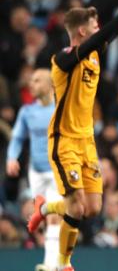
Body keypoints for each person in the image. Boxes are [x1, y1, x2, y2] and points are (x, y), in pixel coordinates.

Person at [27, 0, 118, 271]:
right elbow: (101, 39)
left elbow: (106, 37)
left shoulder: (93, 57)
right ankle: (64, 264)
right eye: (93, 26)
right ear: (81, 31)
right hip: (64, 140)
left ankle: (44, 207)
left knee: (93, 208)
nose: (98, 30)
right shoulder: (62, 60)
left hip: (86, 141)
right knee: (76, 206)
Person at [6, 69, 58, 271]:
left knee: (54, 215)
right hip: (35, 172)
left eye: (37, 81)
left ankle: (51, 263)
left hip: (57, 170)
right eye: (31, 81)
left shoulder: (61, 109)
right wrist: (11, 157)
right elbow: (17, 137)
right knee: (44, 216)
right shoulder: (27, 111)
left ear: (50, 85)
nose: (31, 85)